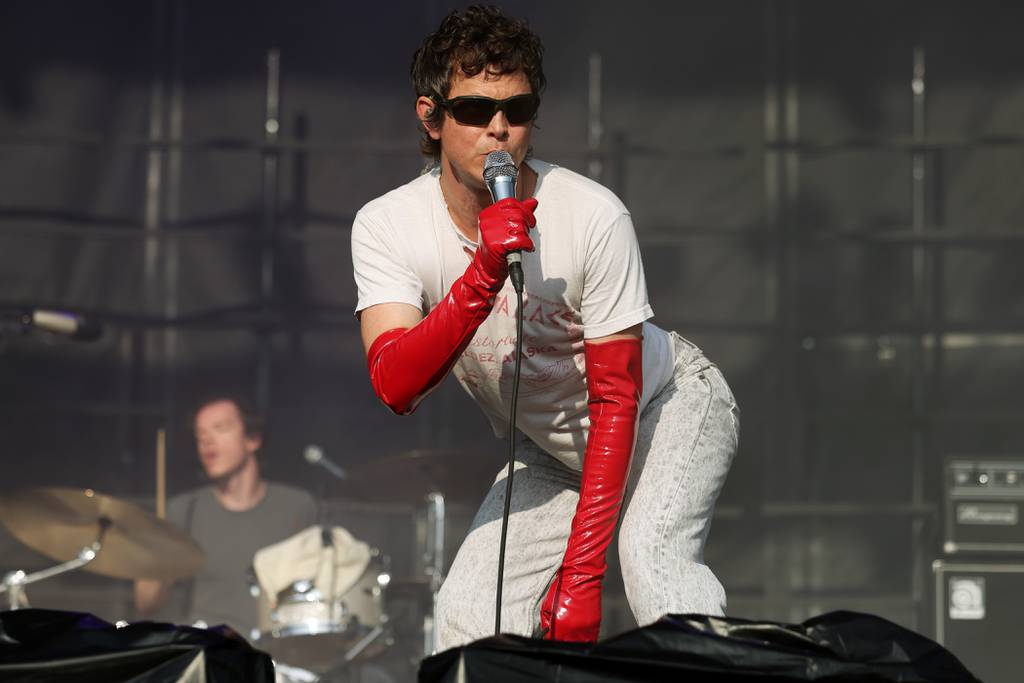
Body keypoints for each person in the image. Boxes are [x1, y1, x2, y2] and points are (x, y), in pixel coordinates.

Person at [351, 5, 740, 649]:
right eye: (475, 111)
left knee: (653, 567)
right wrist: (481, 273)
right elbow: (396, 384)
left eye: (518, 109)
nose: (499, 130)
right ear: (430, 115)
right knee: (467, 616)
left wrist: (583, 575)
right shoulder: (388, 225)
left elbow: (617, 398)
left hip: (663, 408)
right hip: (552, 446)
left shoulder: (592, 215)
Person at [134, 395, 318, 639]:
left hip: (275, 653)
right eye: (200, 435)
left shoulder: (296, 506)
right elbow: (146, 605)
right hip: (207, 650)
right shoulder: (184, 510)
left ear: (252, 439)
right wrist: (158, 559)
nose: (207, 441)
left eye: (220, 429)